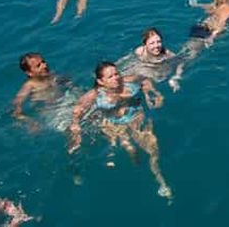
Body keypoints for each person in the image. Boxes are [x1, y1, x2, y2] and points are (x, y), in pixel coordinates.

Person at [68, 61, 172, 199]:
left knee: (153, 151)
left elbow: (145, 78)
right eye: (110, 76)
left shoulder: (128, 80)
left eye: (116, 73)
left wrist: (151, 91)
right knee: (132, 153)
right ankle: (136, 180)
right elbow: (77, 110)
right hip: (114, 125)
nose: (116, 78)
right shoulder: (94, 95)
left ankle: (161, 182)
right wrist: (76, 127)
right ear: (100, 81)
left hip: (136, 118)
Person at [12, 52, 74, 133]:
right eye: (38, 66)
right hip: (53, 112)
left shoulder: (50, 75)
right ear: (29, 73)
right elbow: (16, 110)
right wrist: (30, 122)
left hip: (67, 102)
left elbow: (67, 82)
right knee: (73, 130)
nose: (44, 66)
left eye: (43, 62)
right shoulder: (30, 86)